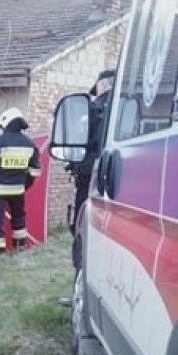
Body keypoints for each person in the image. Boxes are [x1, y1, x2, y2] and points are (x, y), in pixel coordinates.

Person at [0, 107, 41, 257]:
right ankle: (20, 247)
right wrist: (24, 184)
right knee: (19, 217)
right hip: (18, 190)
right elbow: (35, 171)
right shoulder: (29, 143)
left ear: (6, 123)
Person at [69, 68, 115, 240]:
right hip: (118, 171)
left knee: (84, 207)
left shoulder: (89, 110)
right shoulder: (127, 108)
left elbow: (78, 139)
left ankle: (82, 239)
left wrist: (73, 162)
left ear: (102, 85)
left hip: (88, 170)